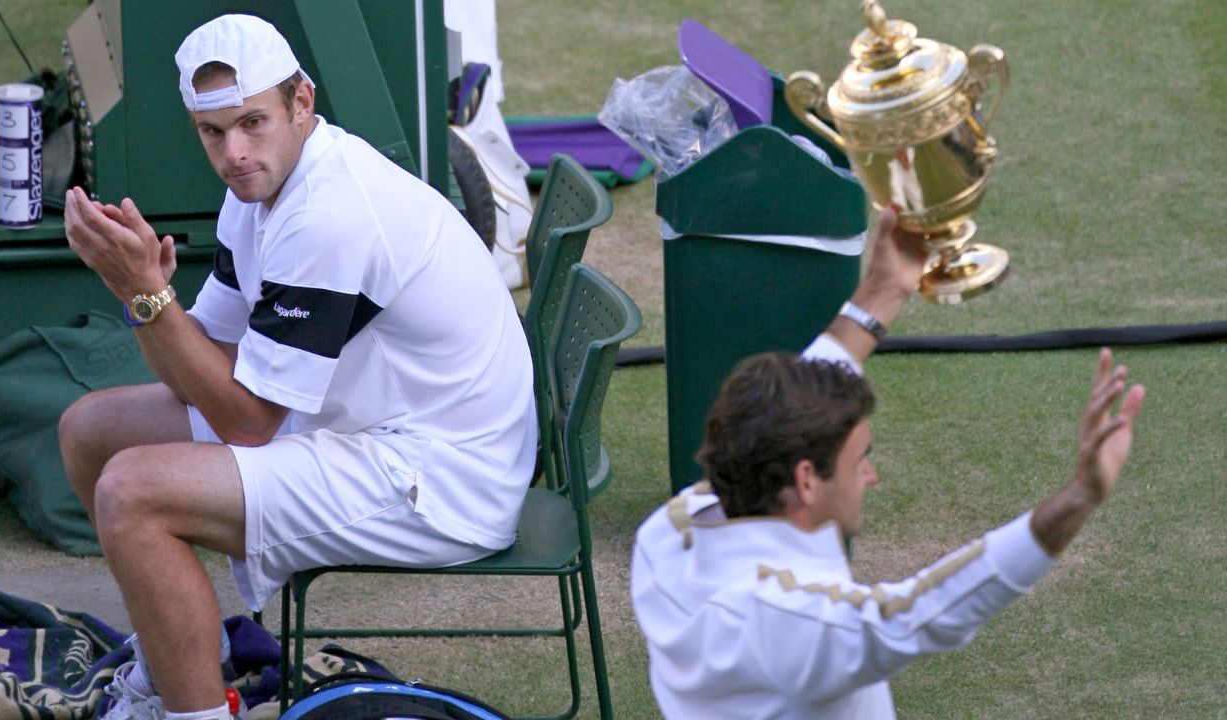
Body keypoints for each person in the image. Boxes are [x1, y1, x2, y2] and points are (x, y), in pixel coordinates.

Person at [59, 13, 536, 720]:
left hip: (442, 478)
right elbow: (204, 362)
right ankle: (180, 661)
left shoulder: (330, 215)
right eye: (213, 132)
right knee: (91, 430)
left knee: (134, 491)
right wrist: (143, 298)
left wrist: (146, 294)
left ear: (302, 102)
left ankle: (194, 715)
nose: (234, 153)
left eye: (253, 122)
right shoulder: (256, 190)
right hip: (362, 424)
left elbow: (247, 422)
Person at [630, 207, 1146, 719]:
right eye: (860, 462)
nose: (871, 476)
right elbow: (918, 613)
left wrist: (885, 290)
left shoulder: (665, 540)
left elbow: (782, 413)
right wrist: (1080, 495)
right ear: (806, 480)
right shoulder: (793, 625)